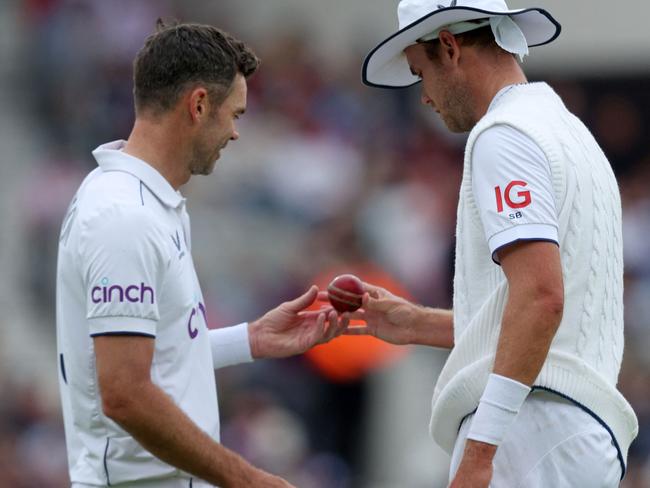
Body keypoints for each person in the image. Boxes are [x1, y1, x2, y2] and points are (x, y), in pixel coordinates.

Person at [350, 0, 639, 486]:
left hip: (532, 428)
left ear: (449, 46)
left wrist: (482, 450)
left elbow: (541, 299)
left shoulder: (503, 134)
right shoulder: (572, 134)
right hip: (575, 431)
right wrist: (420, 323)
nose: (424, 96)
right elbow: (548, 313)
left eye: (421, 73)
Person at [55, 20, 349, 488]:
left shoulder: (151, 203)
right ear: (198, 105)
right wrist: (247, 479)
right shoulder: (122, 216)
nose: (235, 134)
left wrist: (251, 339)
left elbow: (157, 354)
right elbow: (125, 394)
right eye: (235, 114)